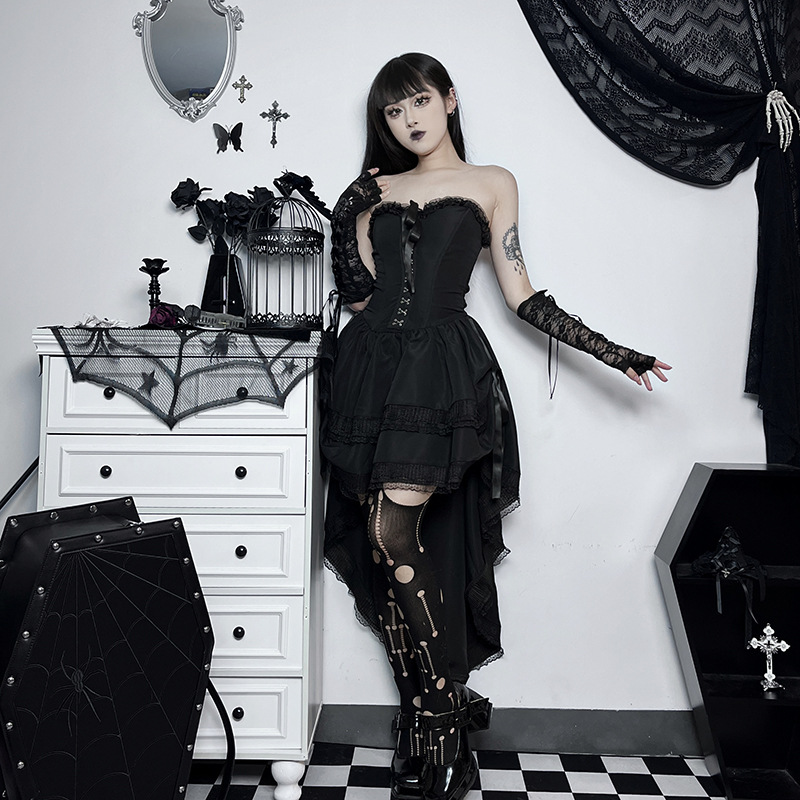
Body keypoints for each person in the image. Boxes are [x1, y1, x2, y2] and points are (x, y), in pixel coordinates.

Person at [321, 53, 670, 800]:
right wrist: (346, 212)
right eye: (392, 111)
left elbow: (521, 292)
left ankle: (443, 718)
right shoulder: (376, 190)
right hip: (369, 369)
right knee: (384, 547)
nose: (408, 120)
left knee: (391, 531)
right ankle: (428, 721)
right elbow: (358, 297)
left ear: (449, 100)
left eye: (419, 101)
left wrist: (611, 351)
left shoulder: (492, 183)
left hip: (439, 372)